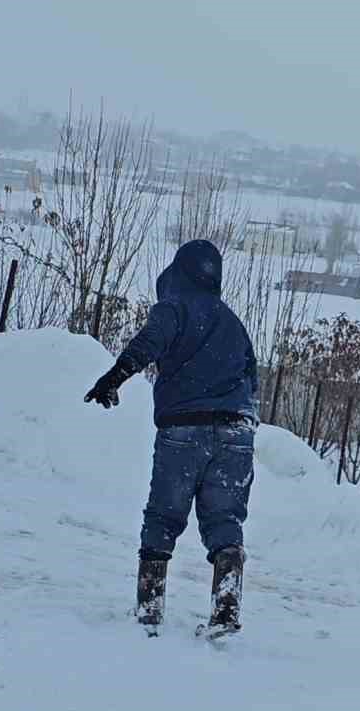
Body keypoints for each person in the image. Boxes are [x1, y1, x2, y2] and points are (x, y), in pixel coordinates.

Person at [83, 239, 259, 637]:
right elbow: (252, 379)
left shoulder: (176, 307)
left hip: (185, 427)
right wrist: (239, 421)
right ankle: (225, 609)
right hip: (237, 431)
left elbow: (150, 342)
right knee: (225, 519)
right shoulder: (232, 322)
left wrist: (115, 377)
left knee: (164, 514)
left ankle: (149, 609)